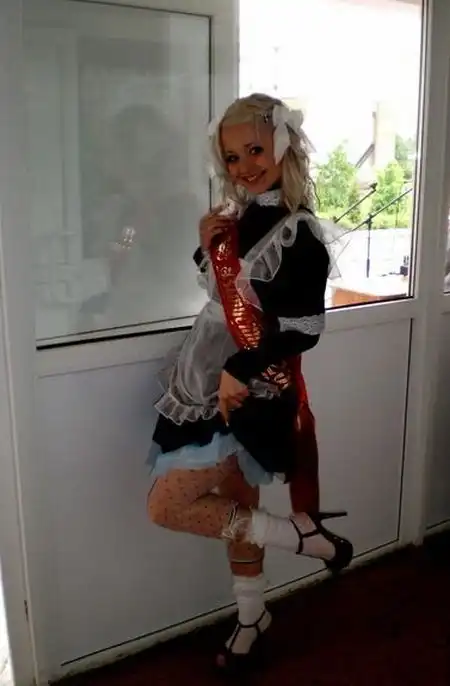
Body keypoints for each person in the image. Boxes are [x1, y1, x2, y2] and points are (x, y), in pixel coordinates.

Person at [146, 93, 353, 673]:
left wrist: (239, 370)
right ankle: (253, 613)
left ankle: (304, 541)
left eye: (255, 150)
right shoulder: (236, 220)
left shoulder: (300, 233)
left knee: (167, 506)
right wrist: (206, 239)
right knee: (239, 507)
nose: (244, 166)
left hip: (248, 388)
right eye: (232, 157)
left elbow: (305, 330)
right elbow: (222, 295)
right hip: (204, 380)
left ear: (283, 146)